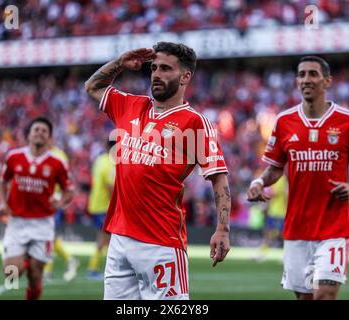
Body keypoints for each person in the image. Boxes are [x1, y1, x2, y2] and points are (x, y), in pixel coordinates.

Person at [85, 42, 231, 300]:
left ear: (185, 76)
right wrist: (120, 62)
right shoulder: (131, 105)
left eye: (166, 69)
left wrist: (222, 229)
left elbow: (219, 178)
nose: (156, 74)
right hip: (119, 238)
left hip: (160, 242)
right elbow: (93, 86)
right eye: (154, 68)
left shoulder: (195, 123)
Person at [247, 56, 349, 300]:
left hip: (334, 225)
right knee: (305, 298)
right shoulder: (284, 121)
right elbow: (275, 168)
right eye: (302, 74)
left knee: (324, 295)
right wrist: (258, 182)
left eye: (312, 74)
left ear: (327, 81)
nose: (306, 79)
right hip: (297, 226)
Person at [0, 117, 74, 300]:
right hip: (16, 222)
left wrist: (62, 201)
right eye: (36, 130)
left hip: (42, 224)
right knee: (11, 277)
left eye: (44, 131)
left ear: (49, 137)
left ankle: (31, 278)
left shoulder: (57, 163)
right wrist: (2, 202)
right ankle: (24, 260)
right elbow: (2, 181)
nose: (40, 133)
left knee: (35, 276)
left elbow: (69, 190)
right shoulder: (14, 157)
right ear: (29, 135)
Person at [43, 146, 80, 283]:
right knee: (50, 236)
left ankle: (47, 270)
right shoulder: (43, 153)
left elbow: (65, 178)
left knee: (49, 235)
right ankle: (69, 260)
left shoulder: (58, 155)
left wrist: (62, 198)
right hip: (45, 199)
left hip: (55, 199)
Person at [86, 140, 116, 280]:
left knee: (106, 238)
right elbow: (111, 188)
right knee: (105, 239)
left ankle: (97, 268)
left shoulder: (100, 160)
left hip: (96, 204)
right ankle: (93, 269)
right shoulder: (110, 163)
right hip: (104, 206)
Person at [253, 176, 287, 262]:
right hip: (273, 212)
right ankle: (262, 253)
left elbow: (273, 193)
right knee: (267, 233)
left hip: (280, 212)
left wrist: (263, 193)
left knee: (282, 235)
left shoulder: (281, 179)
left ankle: (286, 254)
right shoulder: (277, 179)